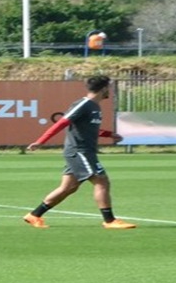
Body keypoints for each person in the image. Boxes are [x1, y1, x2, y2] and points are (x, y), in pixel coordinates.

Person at [23, 75, 136, 229]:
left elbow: (87, 128)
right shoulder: (83, 104)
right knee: (101, 180)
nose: (109, 91)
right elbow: (62, 123)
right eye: (108, 87)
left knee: (68, 187)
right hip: (79, 151)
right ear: (103, 89)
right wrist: (41, 141)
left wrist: (108, 134)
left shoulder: (95, 106)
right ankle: (109, 220)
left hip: (86, 151)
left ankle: (34, 215)